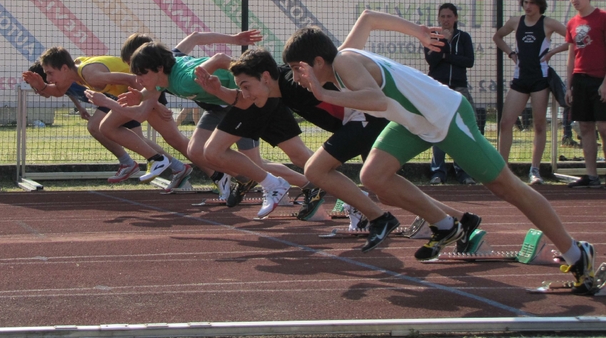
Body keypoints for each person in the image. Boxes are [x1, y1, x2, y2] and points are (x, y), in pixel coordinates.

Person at [282, 9, 597, 295]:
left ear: (317, 62)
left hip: (446, 116)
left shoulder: (343, 62)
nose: (297, 78)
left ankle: (575, 253)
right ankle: (447, 226)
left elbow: (376, 102)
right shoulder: (342, 57)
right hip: (415, 123)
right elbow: (367, 18)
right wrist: (418, 31)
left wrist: (323, 93)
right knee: (375, 176)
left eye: (297, 69)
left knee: (507, 188)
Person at [195, 47, 482, 247]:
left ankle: (379, 218)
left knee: (319, 170)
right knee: (386, 189)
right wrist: (218, 91)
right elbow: (246, 100)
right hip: (359, 123)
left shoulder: (297, 82)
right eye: (241, 87)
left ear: (266, 78)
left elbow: (345, 83)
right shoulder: (273, 88)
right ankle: (461, 219)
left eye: (246, 85)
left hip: (366, 119)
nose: (244, 93)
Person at [105, 40, 309, 218]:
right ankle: (255, 179)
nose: (138, 80)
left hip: (240, 100)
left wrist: (244, 79)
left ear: (159, 68)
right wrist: (137, 98)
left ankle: (298, 185)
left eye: (142, 74)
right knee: (196, 151)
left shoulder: (187, 80)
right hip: (219, 105)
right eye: (136, 75)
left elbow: (220, 58)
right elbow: (142, 111)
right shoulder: (160, 79)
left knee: (254, 162)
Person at [22, 48, 190, 184]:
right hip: (129, 95)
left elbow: (133, 79)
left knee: (104, 127)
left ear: (64, 68)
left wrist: (154, 102)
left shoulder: (91, 76)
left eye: (50, 74)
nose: (49, 79)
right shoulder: (73, 74)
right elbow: (57, 91)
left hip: (139, 91)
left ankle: (152, 161)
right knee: (150, 138)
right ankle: (181, 167)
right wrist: (42, 86)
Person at [493, 0, 569, 185]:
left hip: (540, 80)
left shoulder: (548, 23)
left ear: (539, 4)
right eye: (525, 2)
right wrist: (511, 53)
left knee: (539, 124)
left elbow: (572, 38)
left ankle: (534, 170)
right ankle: (503, 169)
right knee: (505, 122)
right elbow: (498, 37)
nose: (528, 6)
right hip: (520, 79)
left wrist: (552, 52)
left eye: (532, 3)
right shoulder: (515, 21)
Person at [424, 3, 476, 185]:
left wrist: (447, 56)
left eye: (449, 16)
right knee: (439, 128)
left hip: (459, 88)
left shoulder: (464, 38)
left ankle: (463, 171)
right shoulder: (433, 37)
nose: (446, 20)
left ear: (455, 18)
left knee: (460, 129)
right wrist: (443, 42)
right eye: (443, 16)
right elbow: (432, 60)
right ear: (438, 18)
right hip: (438, 87)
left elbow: (468, 61)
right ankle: (438, 171)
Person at [564, 0, 606, 189]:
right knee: (586, 127)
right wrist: (569, 85)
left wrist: (605, 82)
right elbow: (572, 56)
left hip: (600, 79)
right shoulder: (572, 23)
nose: (575, 0)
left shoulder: (602, 17)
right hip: (580, 80)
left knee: (604, 127)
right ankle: (592, 176)